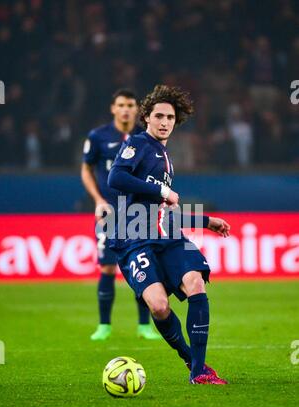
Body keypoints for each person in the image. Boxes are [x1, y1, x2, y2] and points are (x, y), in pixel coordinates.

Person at [108, 85, 230, 384]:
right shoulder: (138, 144)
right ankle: (190, 358)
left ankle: (199, 371)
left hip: (166, 234)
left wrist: (205, 220)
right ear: (146, 118)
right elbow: (116, 177)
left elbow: (163, 210)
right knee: (160, 307)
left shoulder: (165, 156)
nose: (165, 122)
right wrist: (162, 189)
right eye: (159, 116)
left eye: (170, 117)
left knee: (196, 283)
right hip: (132, 237)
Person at [81, 89, 160, 341]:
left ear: (137, 109)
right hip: (110, 212)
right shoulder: (98, 137)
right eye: (121, 105)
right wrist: (98, 200)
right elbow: (86, 169)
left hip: (138, 212)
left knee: (142, 266)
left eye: (130, 105)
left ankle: (144, 326)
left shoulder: (144, 137)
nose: (126, 109)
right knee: (107, 267)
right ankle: (104, 325)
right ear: (113, 108)